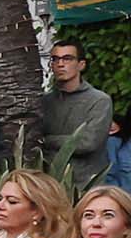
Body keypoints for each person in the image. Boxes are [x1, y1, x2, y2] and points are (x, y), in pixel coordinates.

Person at [37, 39, 112, 169]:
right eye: (55, 59)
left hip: (84, 183)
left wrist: (47, 140)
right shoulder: (45, 101)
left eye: (67, 59)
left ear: (81, 64)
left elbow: (87, 143)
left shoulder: (99, 100)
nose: (60, 64)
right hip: (47, 181)